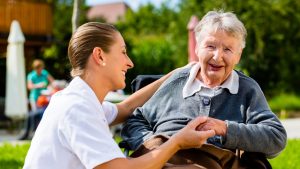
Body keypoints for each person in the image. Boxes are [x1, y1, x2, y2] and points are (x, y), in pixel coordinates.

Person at [23, 22, 215, 169]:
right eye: (123, 52)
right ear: (99, 56)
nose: (130, 62)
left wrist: (175, 75)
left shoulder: (77, 99)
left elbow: (125, 108)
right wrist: (178, 142)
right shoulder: (77, 108)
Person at [121, 10, 287, 168]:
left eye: (228, 49)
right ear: (197, 48)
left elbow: (276, 137)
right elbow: (136, 120)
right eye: (210, 46)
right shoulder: (176, 82)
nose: (217, 56)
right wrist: (155, 145)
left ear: (239, 55)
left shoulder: (247, 90)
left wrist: (225, 129)